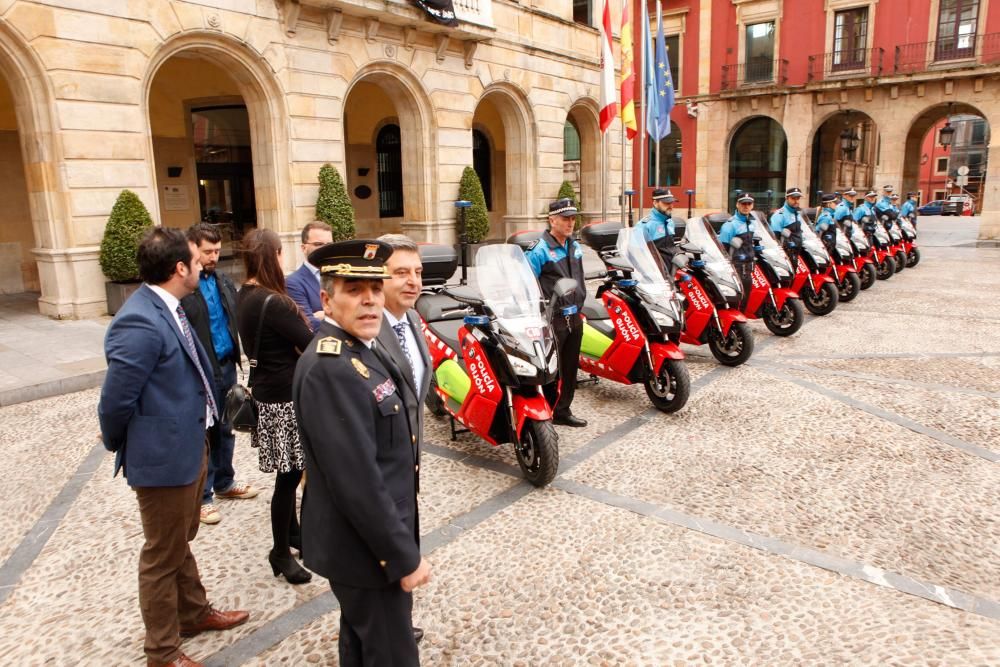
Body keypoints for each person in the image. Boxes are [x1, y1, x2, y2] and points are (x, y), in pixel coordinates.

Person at [98, 227, 249, 667]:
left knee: (177, 542)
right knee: (161, 555)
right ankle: (162, 651)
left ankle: (195, 613)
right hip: (163, 457)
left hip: (189, 445)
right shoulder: (139, 319)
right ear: (179, 267)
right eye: (194, 259)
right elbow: (115, 401)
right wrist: (128, 444)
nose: (204, 263)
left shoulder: (172, 306)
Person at [294, 239, 430, 666]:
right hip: (367, 552)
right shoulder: (332, 368)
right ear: (326, 300)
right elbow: (358, 482)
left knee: (360, 644)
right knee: (392, 654)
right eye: (353, 290)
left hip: (368, 545)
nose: (369, 300)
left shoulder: (360, 350)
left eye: (374, 287)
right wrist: (403, 557)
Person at [236, 229, 314, 585]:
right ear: (275, 256)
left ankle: (296, 533)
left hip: (268, 393)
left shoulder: (245, 294)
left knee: (290, 470)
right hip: (284, 397)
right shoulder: (274, 301)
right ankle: (280, 552)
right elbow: (308, 343)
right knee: (288, 478)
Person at [179, 223, 258, 526]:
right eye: (207, 251)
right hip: (201, 370)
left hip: (226, 364)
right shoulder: (186, 287)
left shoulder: (223, 280)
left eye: (216, 251)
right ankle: (204, 497)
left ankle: (225, 482)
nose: (213, 256)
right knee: (205, 433)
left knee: (227, 426)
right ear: (192, 249)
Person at [525, 198, 588, 428]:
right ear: (552, 220)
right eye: (565, 218)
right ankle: (546, 414)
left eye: (573, 218)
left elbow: (579, 276)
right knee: (552, 368)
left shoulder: (575, 245)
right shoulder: (539, 250)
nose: (570, 223)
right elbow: (526, 284)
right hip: (553, 319)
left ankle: (563, 410)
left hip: (574, 316)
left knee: (570, 367)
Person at [286, 221, 334, 331]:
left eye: (329, 245)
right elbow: (310, 325)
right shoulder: (293, 283)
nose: (325, 249)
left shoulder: (340, 276)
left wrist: (325, 314)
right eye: (318, 244)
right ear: (303, 248)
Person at [717, 193, 756, 307]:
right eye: (743, 203)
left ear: (752, 206)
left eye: (749, 204)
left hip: (748, 267)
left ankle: (740, 322)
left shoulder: (752, 222)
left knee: (745, 299)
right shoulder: (730, 225)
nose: (746, 206)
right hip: (736, 267)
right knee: (736, 300)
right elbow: (723, 250)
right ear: (737, 205)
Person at [636, 188, 680, 266]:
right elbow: (636, 253)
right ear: (655, 203)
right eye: (666, 203)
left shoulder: (670, 222)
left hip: (672, 268)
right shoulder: (644, 225)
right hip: (655, 271)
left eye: (671, 202)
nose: (671, 206)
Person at [770, 187, 806, 263]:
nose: (796, 201)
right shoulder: (779, 215)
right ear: (786, 198)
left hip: (796, 252)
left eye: (798, 198)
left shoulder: (797, 213)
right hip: (785, 255)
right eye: (793, 198)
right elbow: (775, 238)